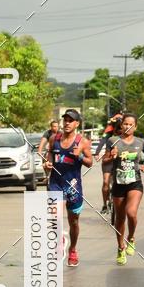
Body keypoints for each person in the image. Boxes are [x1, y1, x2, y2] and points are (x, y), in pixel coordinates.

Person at [44, 108, 92, 267]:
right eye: (65, 120)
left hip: (73, 186)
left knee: (74, 222)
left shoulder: (82, 142)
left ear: (77, 123)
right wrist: (47, 163)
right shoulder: (53, 138)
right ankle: (60, 241)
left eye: (70, 120)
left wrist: (79, 155)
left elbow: (90, 163)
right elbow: (50, 154)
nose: (67, 123)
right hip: (55, 183)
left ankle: (73, 249)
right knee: (53, 217)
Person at [103, 113, 144, 265]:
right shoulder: (113, 141)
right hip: (118, 183)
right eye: (125, 124)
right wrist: (112, 156)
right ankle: (120, 247)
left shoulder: (140, 142)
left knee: (131, 212)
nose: (127, 126)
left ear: (135, 127)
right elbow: (104, 160)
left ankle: (131, 238)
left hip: (135, 183)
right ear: (121, 125)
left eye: (131, 124)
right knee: (120, 218)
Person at [95, 113, 123, 214]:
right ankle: (105, 204)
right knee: (106, 182)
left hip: (120, 160)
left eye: (121, 128)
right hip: (108, 160)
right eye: (117, 128)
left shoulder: (125, 135)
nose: (119, 130)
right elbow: (102, 142)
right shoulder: (108, 134)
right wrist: (97, 153)